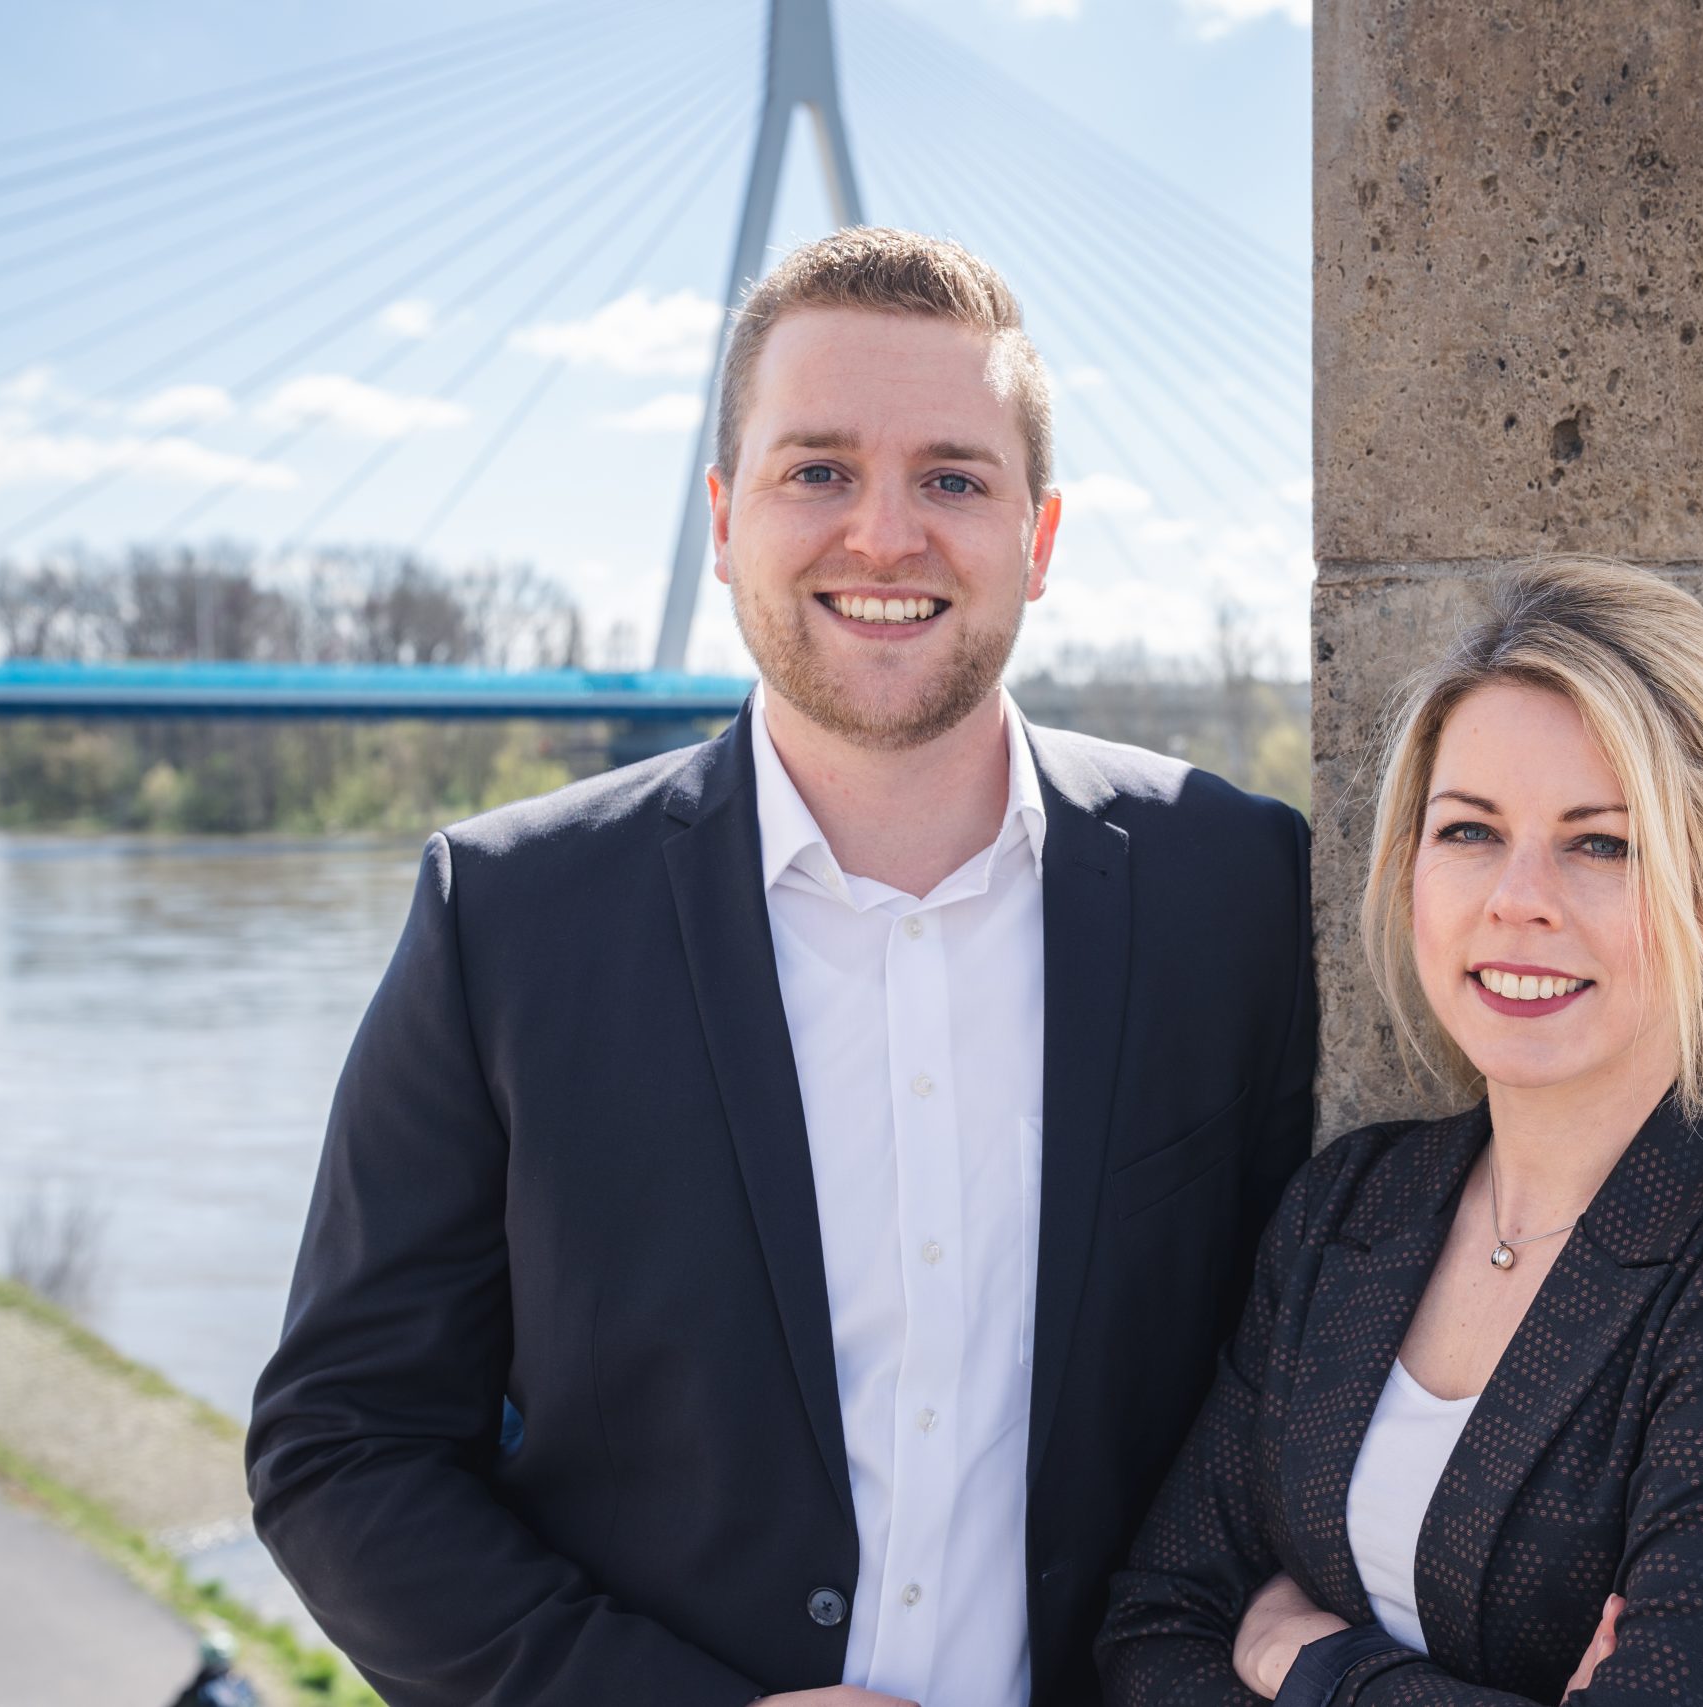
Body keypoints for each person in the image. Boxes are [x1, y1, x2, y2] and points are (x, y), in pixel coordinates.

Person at [247, 228, 1315, 1707]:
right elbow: (343, 1445)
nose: (883, 536)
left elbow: (1336, 1366)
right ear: (722, 520)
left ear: (1040, 538)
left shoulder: (1235, 886)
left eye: (953, 478)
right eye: (817, 470)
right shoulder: (508, 918)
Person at [1096, 558, 1703, 1706]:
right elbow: (1154, 1630)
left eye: (1601, 843)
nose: (1515, 898)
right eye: (1470, 831)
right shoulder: (1346, 1208)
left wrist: (1317, 1665)